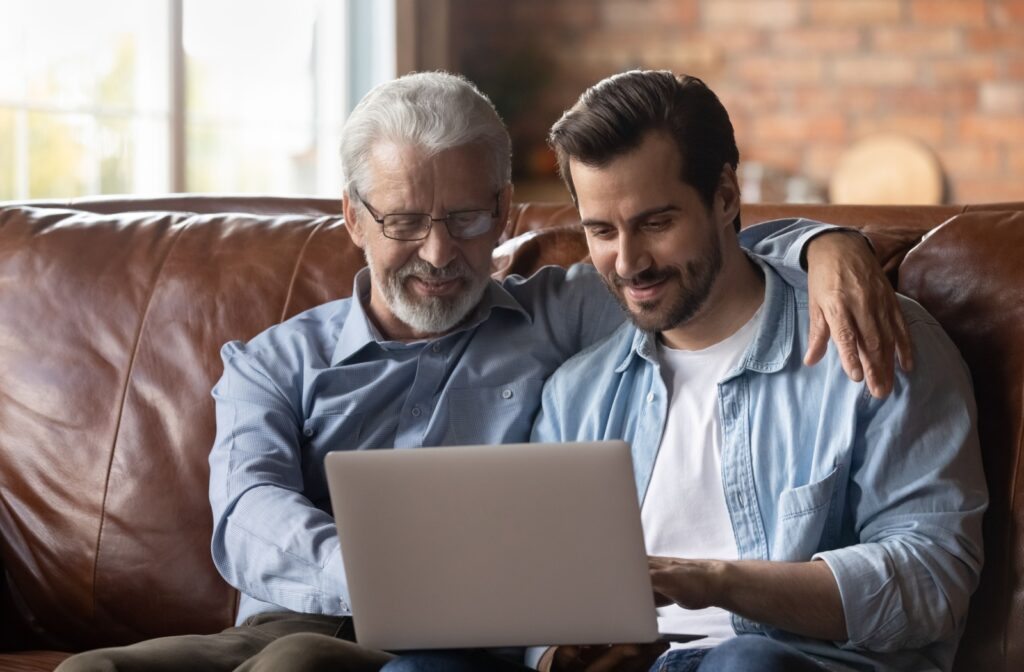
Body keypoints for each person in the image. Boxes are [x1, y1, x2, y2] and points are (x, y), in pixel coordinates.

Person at [57, 72, 910, 672]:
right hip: (303, 611)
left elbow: (689, 262)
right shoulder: (277, 362)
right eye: (403, 221)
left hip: (453, 644)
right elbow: (248, 516)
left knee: (298, 669)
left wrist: (826, 244)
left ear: (503, 211)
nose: (438, 254)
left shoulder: (563, 312)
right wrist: (394, 577)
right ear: (353, 217)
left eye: (466, 220)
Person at [519, 71, 984, 672]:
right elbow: (537, 586)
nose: (629, 262)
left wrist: (715, 582)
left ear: (726, 198)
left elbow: (931, 579)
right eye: (601, 231)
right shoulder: (574, 395)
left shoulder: (871, 340)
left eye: (656, 223)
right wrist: (560, 653)